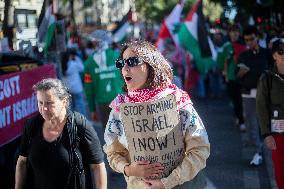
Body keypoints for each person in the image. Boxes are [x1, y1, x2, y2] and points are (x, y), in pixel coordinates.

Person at [104, 40, 210, 189]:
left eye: (132, 61)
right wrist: (128, 169)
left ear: (151, 65)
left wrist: (168, 182)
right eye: (121, 63)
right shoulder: (120, 109)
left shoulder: (178, 102)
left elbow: (200, 150)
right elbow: (113, 153)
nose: (125, 68)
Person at [15, 78, 107, 189]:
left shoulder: (80, 125)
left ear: (64, 101)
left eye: (49, 103)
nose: (44, 108)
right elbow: (22, 162)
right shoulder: (32, 126)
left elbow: (98, 167)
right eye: (40, 102)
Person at [236, 26, 270, 166]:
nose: (249, 42)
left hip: (265, 94)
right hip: (248, 94)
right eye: (246, 40)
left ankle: (267, 148)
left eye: (251, 39)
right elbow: (236, 77)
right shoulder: (243, 56)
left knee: (267, 124)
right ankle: (258, 151)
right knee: (251, 124)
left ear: (257, 37)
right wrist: (241, 73)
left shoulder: (267, 54)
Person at [256, 38, 284, 189]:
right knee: (281, 172)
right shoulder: (267, 77)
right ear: (274, 55)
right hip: (278, 134)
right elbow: (261, 107)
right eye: (281, 51)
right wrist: (266, 134)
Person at [84, 30, 124, 129]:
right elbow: (126, 78)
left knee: (109, 136)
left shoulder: (89, 63)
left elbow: (88, 89)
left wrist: (92, 109)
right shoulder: (118, 56)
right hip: (119, 100)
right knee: (123, 134)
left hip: (102, 103)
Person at [217, 24, 246, 131]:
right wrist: (224, 71)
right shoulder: (225, 47)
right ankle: (239, 117)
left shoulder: (245, 46)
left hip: (243, 78)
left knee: (241, 100)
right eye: (232, 31)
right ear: (229, 33)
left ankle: (242, 120)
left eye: (236, 31)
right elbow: (219, 62)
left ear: (239, 33)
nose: (234, 33)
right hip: (231, 78)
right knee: (235, 100)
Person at [61, 49, 87, 116]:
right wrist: (77, 59)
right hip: (77, 89)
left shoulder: (61, 66)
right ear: (69, 56)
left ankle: (73, 121)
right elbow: (82, 68)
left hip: (67, 89)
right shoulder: (73, 64)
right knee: (81, 105)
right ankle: (83, 120)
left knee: (71, 107)